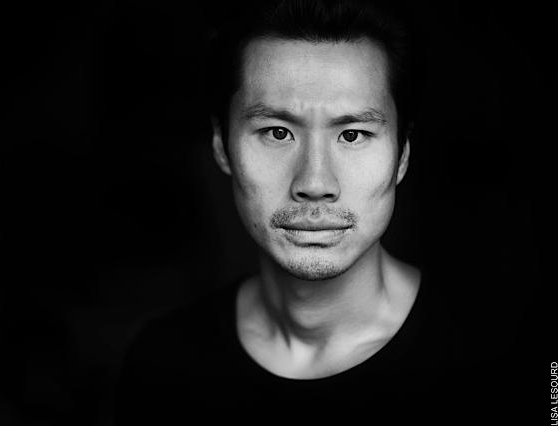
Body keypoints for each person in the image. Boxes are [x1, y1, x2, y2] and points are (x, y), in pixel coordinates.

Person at [112, 0, 487, 422]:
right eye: (277, 132)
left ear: (402, 155)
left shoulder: (500, 356)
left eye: (352, 134)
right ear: (221, 146)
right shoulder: (162, 368)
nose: (314, 182)